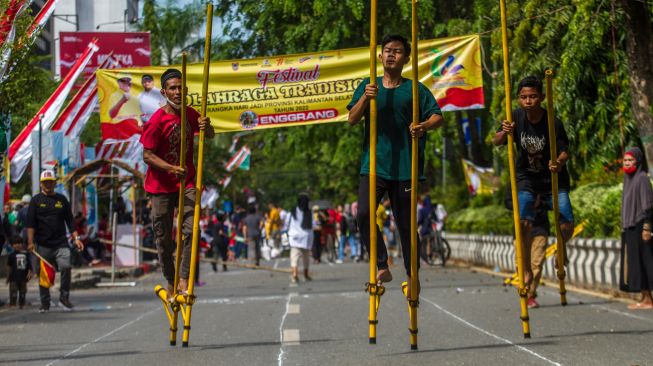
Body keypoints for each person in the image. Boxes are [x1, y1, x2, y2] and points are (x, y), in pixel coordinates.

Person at [347, 34, 444, 295]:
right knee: (364, 214)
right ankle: (381, 264)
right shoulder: (369, 86)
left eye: (397, 51)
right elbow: (352, 119)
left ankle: (413, 274)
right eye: (387, 50)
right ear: (379, 56)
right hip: (374, 165)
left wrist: (423, 126)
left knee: (405, 226)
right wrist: (365, 99)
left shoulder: (414, 89)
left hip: (405, 167)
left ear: (406, 58)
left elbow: (437, 116)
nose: (391, 55)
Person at [492, 75, 574, 287]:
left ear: (542, 97)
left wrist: (558, 162)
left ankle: (561, 251)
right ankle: (526, 269)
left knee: (566, 227)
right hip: (526, 178)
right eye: (523, 97)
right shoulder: (515, 117)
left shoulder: (552, 122)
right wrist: (505, 131)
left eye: (533, 96)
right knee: (524, 223)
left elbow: (565, 151)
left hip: (553, 179)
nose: (528, 101)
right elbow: (496, 140)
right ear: (519, 99)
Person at [140, 68, 215, 297]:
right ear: (164, 92)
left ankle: (184, 279)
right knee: (163, 240)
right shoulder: (157, 120)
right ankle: (171, 281)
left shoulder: (191, 114)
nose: (178, 92)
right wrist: (172, 168)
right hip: (161, 187)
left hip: (187, 183)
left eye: (181, 87)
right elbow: (147, 155)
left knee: (192, 230)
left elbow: (209, 135)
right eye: (173, 88)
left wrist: (207, 127)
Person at [26, 170, 84, 312]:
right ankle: (45, 303)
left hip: (61, 243)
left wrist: (76, 239)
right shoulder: (36, 201)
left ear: (55, 183)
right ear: (41, 184)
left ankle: (64, 298)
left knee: (66, 266)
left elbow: (70, 222)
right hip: (43, 244)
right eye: (45, 182)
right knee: (44, 274)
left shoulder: (62, 200)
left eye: (50, 181)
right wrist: (30, 242)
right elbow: (30, 224)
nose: (48, 184)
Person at [619, 147, 653, 310]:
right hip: (630, 227)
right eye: (625, 160)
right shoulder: (628, 178)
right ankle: (644, 298)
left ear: (638, 161)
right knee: (636, 264)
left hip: (640, 226)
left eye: (630, 160)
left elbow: (648, 205)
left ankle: (648, 299)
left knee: (645, 262)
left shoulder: (642, 178)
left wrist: (647, 228)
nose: (627, 163)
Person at [287, 193, 313, 283]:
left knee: (294, 257)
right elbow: (313, 224)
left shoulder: (293, 211)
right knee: (306, 258)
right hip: (306, 237)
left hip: (295, 237)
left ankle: (294, 275)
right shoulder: (309, 212)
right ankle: (305, 275)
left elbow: (287, 222)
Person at [6, 236, 31, 308]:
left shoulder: (26, 254)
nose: (18, 245)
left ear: (22, 244)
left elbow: (29, 265)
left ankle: (22, 303)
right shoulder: (11, 255)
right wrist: (8, 277)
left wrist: (29, 273)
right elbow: (9, 266)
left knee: (23, 291)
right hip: (13, 277)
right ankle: (12, 303)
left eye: (19, 243)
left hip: (23, 277)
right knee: (13, 291)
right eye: (15, 243)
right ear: (12, 245)